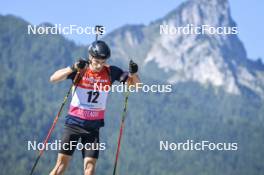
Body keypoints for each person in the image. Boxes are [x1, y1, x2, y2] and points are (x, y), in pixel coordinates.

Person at [49, 40, 140, 175]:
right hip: (73, 125)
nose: (99, 65)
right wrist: (73, 67)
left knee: (90, 168)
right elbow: (53, 78)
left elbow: (135, 86)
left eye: (103, 62)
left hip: (93, 128)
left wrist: (133, 74)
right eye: (97, 61)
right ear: (90, 57)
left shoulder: (111, 72)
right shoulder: (81, 69)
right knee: (60, 166)